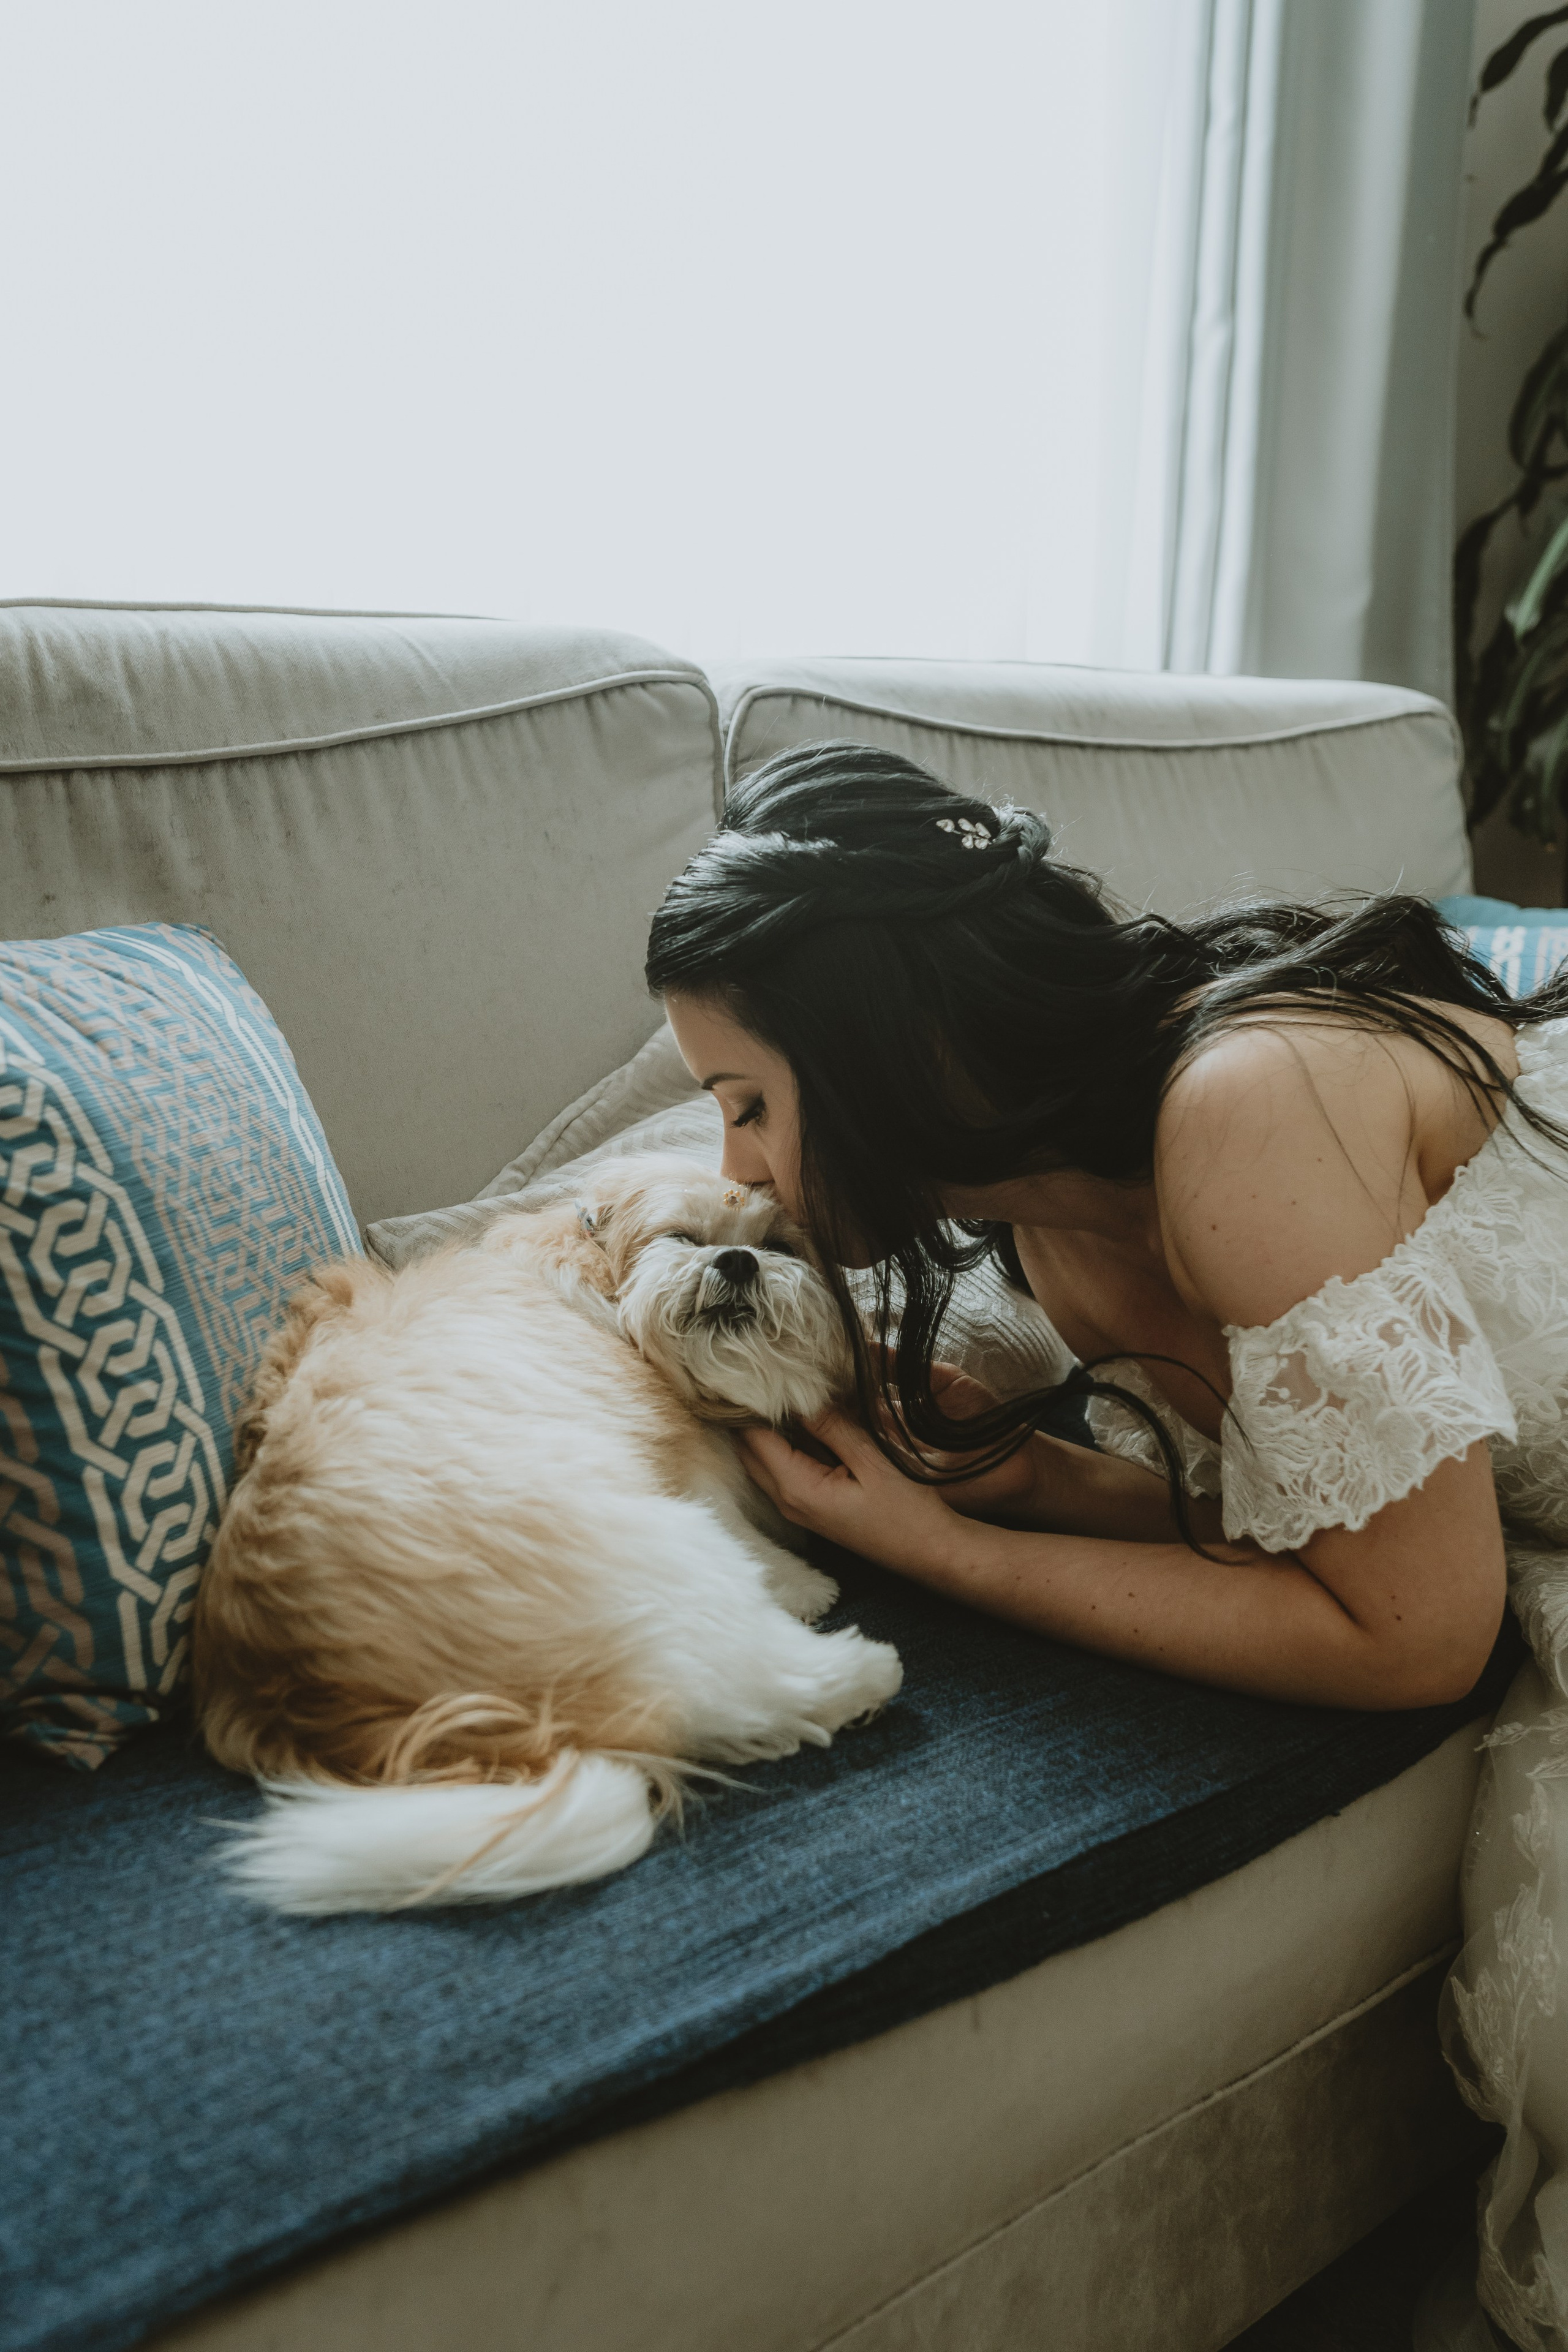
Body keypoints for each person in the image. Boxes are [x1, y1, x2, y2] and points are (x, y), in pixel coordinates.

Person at [644, 741, 1568, 2351]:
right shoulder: (1057, 1254)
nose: (734, 1165)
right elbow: (1328, 1515)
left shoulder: (1242, 1112)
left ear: (884, 1052)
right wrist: (1047, 1486)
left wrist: (947, 1551)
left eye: (747, 1103)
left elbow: (1421, 1635)